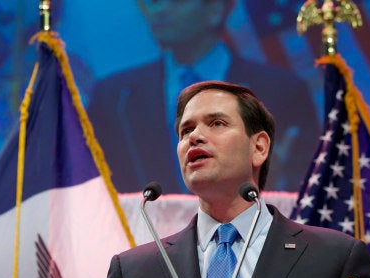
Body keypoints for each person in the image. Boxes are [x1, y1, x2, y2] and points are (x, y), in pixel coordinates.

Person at [0, 81, 370, 278]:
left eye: (216, 123)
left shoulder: (334, 256)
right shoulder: (133, 273)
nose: (194, 137)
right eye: (185, 130)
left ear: (260, 147)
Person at [87, 0, 319, 193]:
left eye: (176, 1)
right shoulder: (115, 98)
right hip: (147, 239)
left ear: (215, 10)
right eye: (154, 1)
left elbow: (308, 182)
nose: (159, 10)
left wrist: (273, 179)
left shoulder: (278, 91)